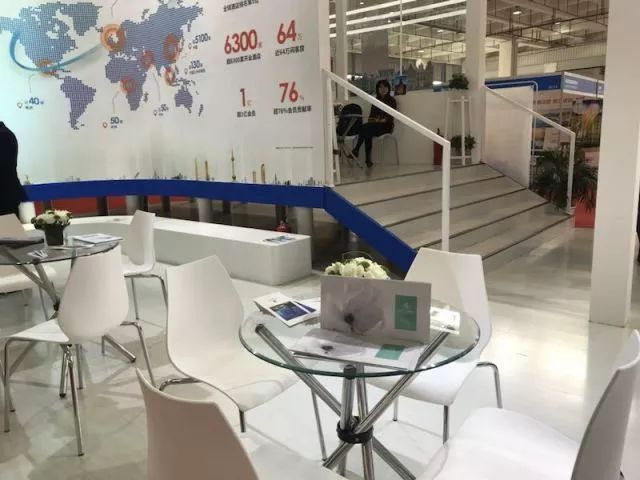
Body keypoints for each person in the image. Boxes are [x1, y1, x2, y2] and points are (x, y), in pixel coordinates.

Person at [352, 79, 397, 168]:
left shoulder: (391, 100)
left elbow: (390, 117)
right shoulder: (375, 101)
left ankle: (357, 151)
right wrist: (375, 120)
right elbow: (370, 118)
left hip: (386, 126)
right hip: (375, 125)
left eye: (385, 87)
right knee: (366, 131)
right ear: (377, 89)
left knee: (366, 129)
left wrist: (382, 120)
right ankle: (367, 159)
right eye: (380, 87)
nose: (383, 89)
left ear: (388, 88)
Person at [0, 121, 27, 218]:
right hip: (6, 197)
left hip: (4, 199)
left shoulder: (3, 135)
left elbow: (4, 168)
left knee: (8, 227)